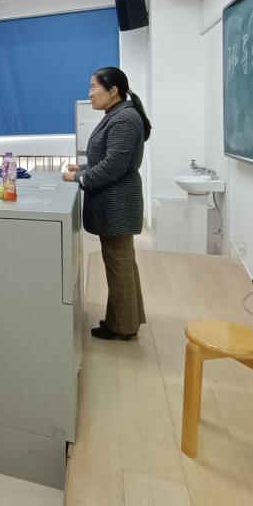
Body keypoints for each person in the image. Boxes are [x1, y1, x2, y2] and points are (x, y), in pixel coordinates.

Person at [63, 66, 152, 342]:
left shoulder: (124, 118)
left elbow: (114, 165)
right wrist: (83, 167)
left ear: (113, 90)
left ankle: (122, 327)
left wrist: (80, 177)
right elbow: (109, 158)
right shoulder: (118, 114)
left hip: (117, 203)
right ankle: (128, 319)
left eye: (93, 87)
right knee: (122, 263)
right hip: (116, 200)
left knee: (119, 265)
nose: (89, 93)